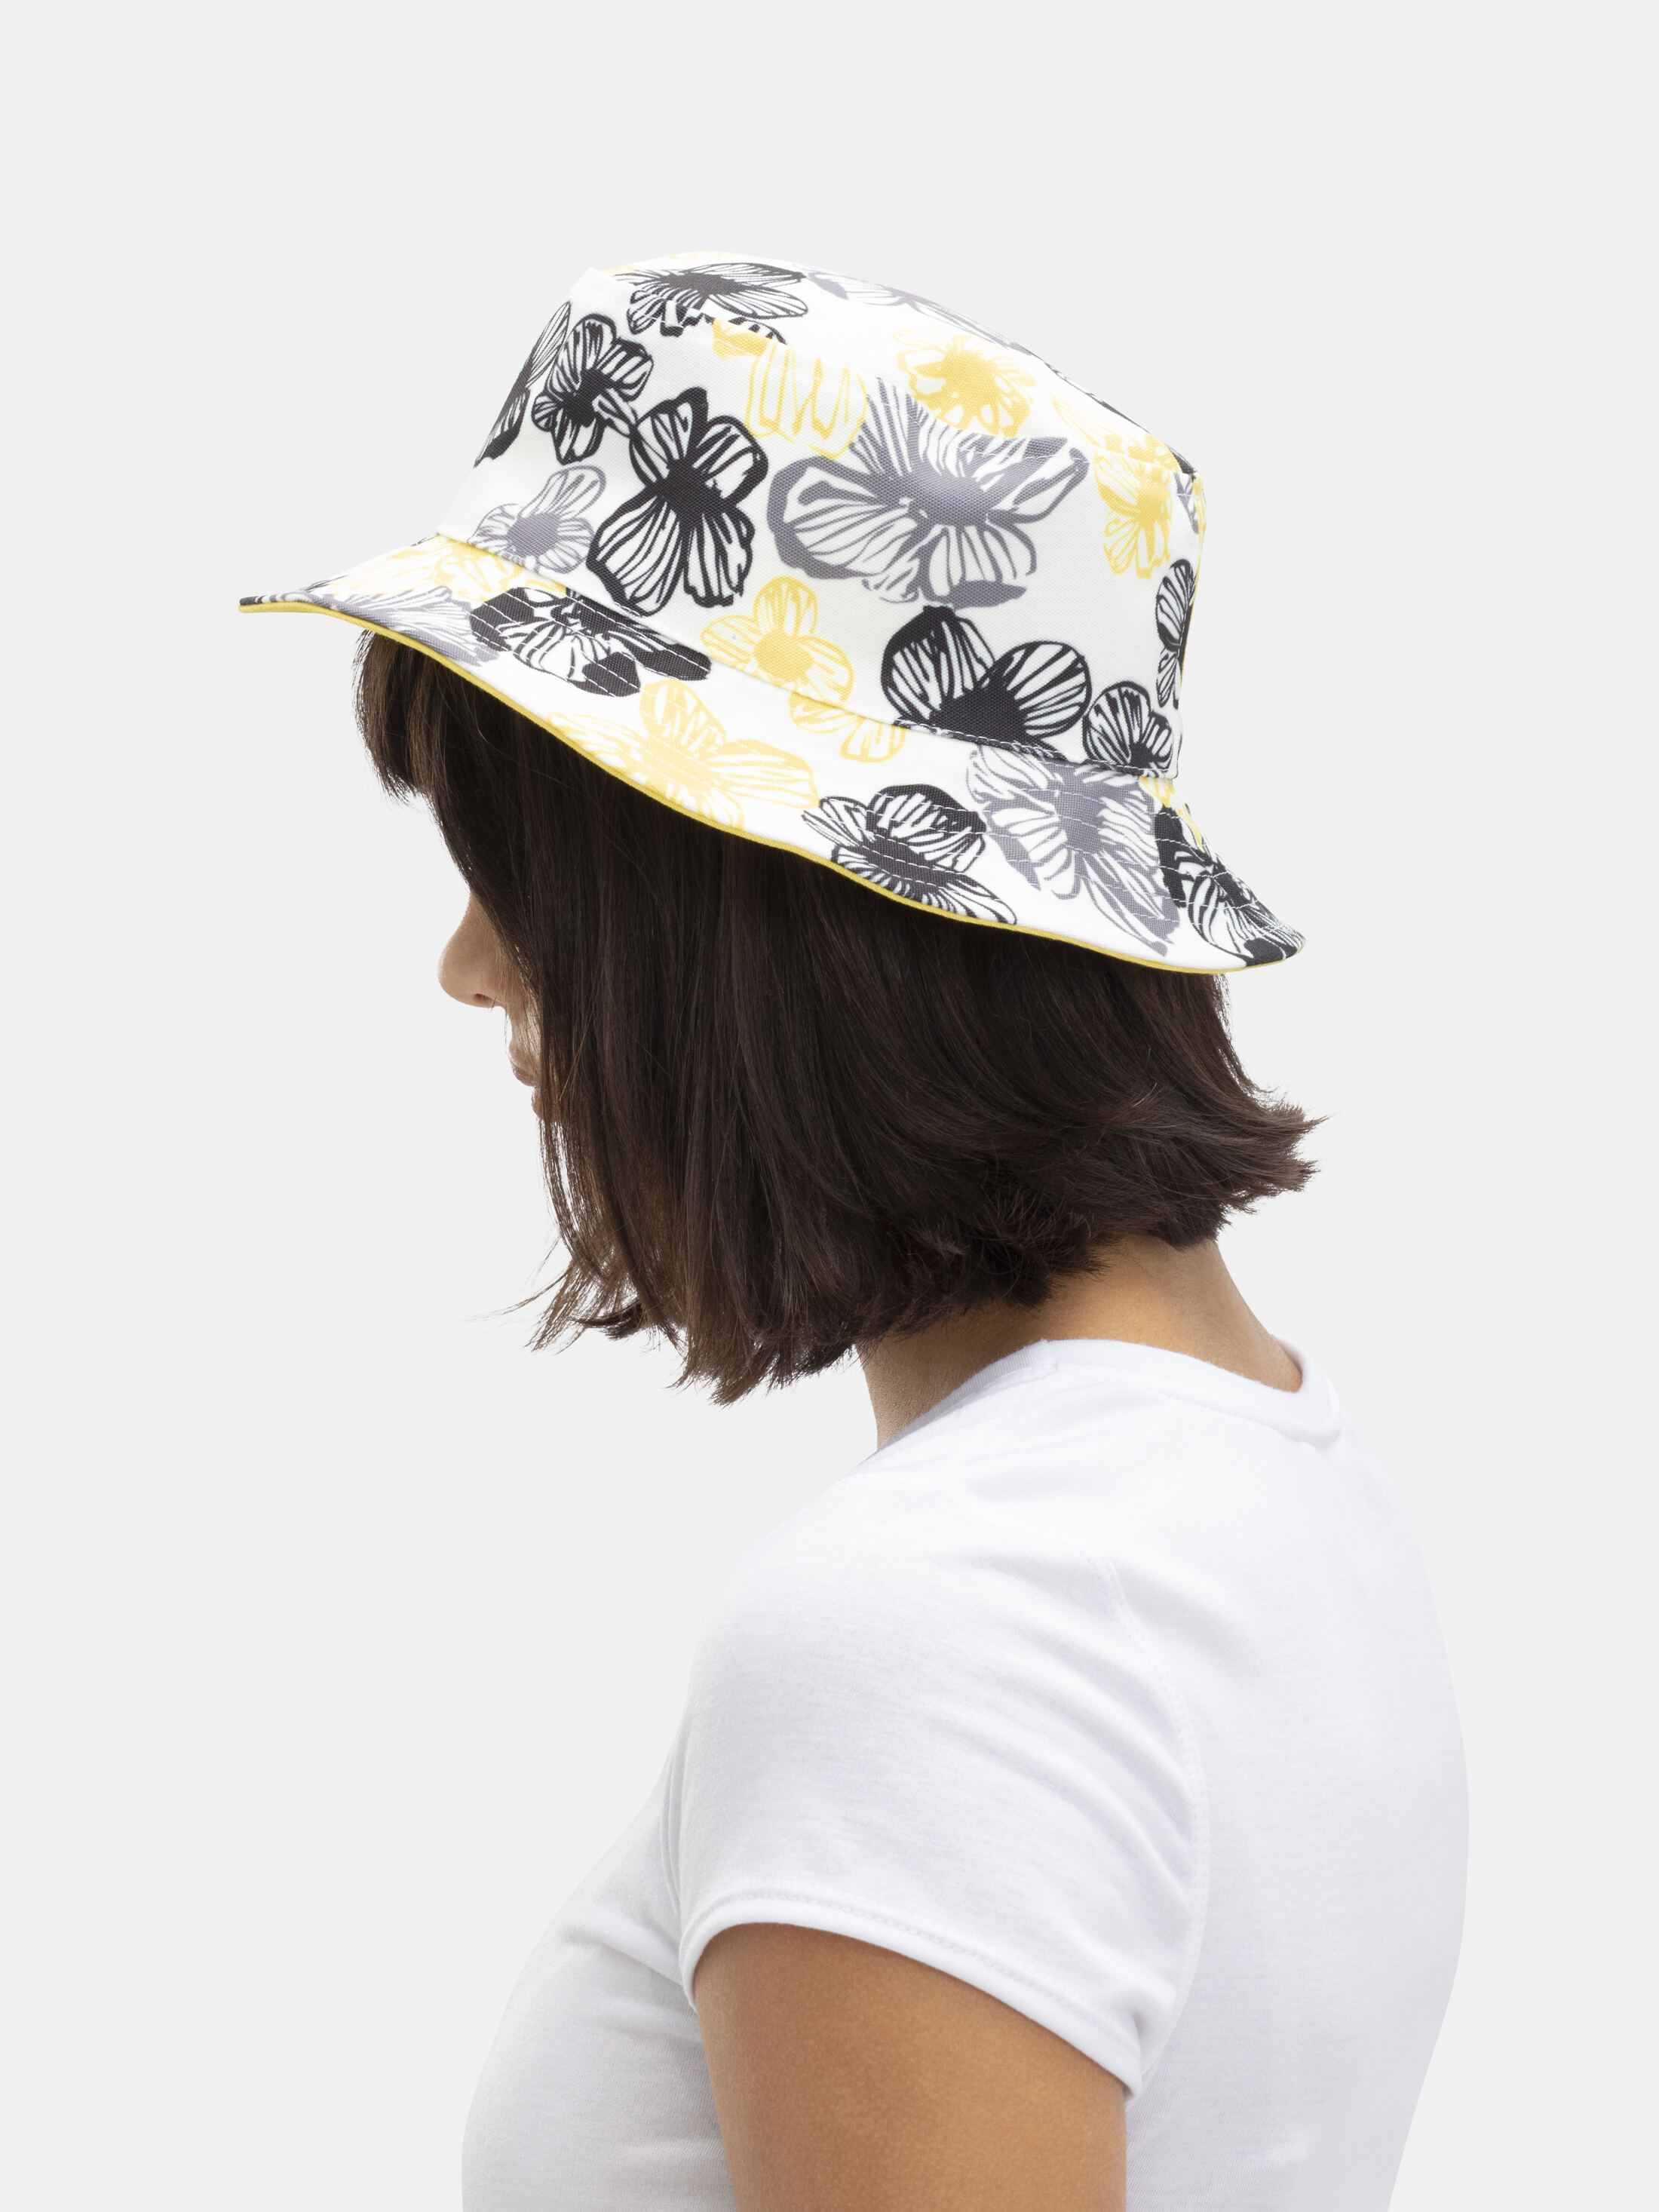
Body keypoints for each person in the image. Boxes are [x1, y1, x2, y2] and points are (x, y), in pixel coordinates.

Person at [244, 254, 1467, 2211]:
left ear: (741, 906)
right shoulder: (1277, 1491)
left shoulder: (934, 1627)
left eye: (522, 868)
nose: (470, 964)